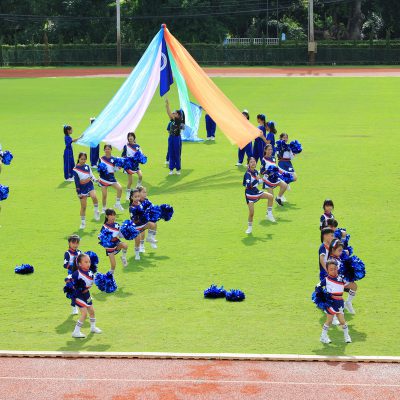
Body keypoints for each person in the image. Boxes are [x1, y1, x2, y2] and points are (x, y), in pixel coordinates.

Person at [316, 259, 352, 344]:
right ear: (327, 270)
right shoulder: (326, 280)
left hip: (339, 302)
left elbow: (348, 284)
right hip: (331, 302)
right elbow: (317, 286)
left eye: (335, 269)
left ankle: (347, 336)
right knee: (329, 321)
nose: (333, 271)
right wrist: (323, 296)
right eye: (331, 269)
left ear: (337, 268)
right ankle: (323, 337)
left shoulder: (341, 278)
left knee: (342, 321)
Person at [71, 253, 102, 338]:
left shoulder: (90, 273)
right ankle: (76, 332)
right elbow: (70, 285)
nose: (88, 264)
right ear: (80, 264)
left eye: (89, 262)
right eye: (86, 262)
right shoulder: (76, 274)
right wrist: (76, 288)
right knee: (84, 314)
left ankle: (93, 327)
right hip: (79, 295)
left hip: (86, 295)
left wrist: (102, 282)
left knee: (92, 311)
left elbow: (94, 281)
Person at [243, 156, 275, 234]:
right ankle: (249, 228)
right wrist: (256, 180)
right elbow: (248, 186)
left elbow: (258, 182)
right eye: (251, 162)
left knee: (270, 197)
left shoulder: (256, 172)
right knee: (251, 213)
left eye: (254, 161)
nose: (253, 163)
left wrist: (265, 177)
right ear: (248, 164)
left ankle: (269, 214)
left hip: (256, 191)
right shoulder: (247, 174)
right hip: (249, 194)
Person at [328, 238, 358, 315]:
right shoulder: (332, 260)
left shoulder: (337, 257)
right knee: (338, 300)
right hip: (336, 282)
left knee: (354, 286)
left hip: (341, 280)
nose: (341, 252)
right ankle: (336, 312)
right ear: (333, 250)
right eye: (339, 250)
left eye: (341, 250)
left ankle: (348, 302)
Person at [73, 152, 100, 229]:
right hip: (82, 188)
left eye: (84, 159)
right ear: (78, 159)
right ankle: (83, 223)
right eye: (82, 159)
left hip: (89, 185)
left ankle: (96, 211)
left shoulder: (87, 166)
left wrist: (96, 180)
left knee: (94, 196)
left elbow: (91, 175)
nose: (83, 161)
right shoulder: (75, 169)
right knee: (83, 207)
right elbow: (76, 182)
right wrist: (79, 193)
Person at [129, 189, 158, 260]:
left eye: (138, 196)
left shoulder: (140, 203)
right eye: (135, 197)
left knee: (153, 224)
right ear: (132, 197)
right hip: (136, 227)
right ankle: (137, 254)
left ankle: (149, 238)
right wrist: (142, 215)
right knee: (137, 241)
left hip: (142, 224)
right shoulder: (132, 207)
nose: (137, 198)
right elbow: (135, 219)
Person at [98, 144, 124, 212]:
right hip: (103, 178)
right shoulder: (101, 158)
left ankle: (117, 203)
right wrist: (100, 175)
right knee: (104, 195)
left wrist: (118, 168)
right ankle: (104, 208)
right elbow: (99, 169)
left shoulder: (114, 159)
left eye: (108, 149)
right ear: (104, 150)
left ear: (111, 150)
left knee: (120, 188)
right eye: (106, 149)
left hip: (111, 177)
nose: (107, 150)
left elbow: (115, 169)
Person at [121, 132, 143, 200]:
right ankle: (128, 194)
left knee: (140, 176)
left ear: (134, 138)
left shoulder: (137, 146)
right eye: (129, 136)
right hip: (129, 166)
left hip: (136, 165)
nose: (130, 137)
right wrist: (126, 160)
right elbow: (123, 155)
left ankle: (137, 187)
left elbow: (141, 154)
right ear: (128, 138)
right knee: (130, 182)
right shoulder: (126, 146)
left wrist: (139, 158)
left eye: (131, 136)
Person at [63, 234, 82, 315]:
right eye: (73, 243)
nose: (75, 245)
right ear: (69, 243)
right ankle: (74, 307)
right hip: (72, 276)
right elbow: (65, 265)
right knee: (74, 291)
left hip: (80, 274)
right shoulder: (67, 253)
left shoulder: (80, 252)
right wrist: (74, 267)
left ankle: (85, 301)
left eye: (77, 243)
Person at [165, 99, 185, 175]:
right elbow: (169, 113)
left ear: (178, 115)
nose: (174, 114)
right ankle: (171, 169)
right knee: (171, 153)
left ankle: (178, 169)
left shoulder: (178, 120)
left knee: (177, 153)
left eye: (175, 113)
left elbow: (170, 114)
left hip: (177, 138)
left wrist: (168, 105)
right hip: (171, 138)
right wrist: (167, 105)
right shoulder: (172, 120)